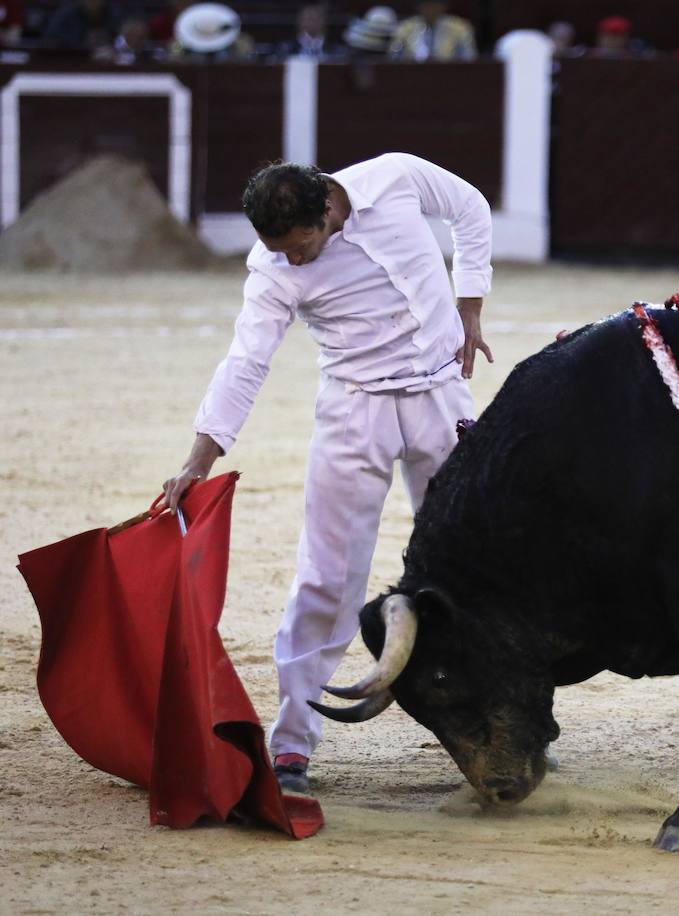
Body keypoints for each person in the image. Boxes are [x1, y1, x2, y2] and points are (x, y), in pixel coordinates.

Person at [160, 153, 493, 795]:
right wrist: (197, 460)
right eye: (275, 249)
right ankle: (291, 746)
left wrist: (469, 304)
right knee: (327, 577)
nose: (290, 261)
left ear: (328, 213)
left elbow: (471, 207)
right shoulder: (272, 270)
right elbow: (246, 361)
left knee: (475, 569)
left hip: (441, 395)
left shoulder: (394, 176)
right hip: (354, 410)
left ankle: (496, 725)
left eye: (299, 247)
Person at [390, 0, 475, 61]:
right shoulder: (405, 28)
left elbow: (469, 60)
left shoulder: (460, 29)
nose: (430, 9)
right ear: (419, 6)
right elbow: (392, 59)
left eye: (434, 4)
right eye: (426, 4)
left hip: (449, 78)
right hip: (412, 78)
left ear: (443, 6)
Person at [42, 0, 121, 49]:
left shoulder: (114, 14)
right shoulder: (65, 15)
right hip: (72, 60)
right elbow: (50, 39)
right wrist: (82, 43)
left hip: (108, 59)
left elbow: (122, 40)